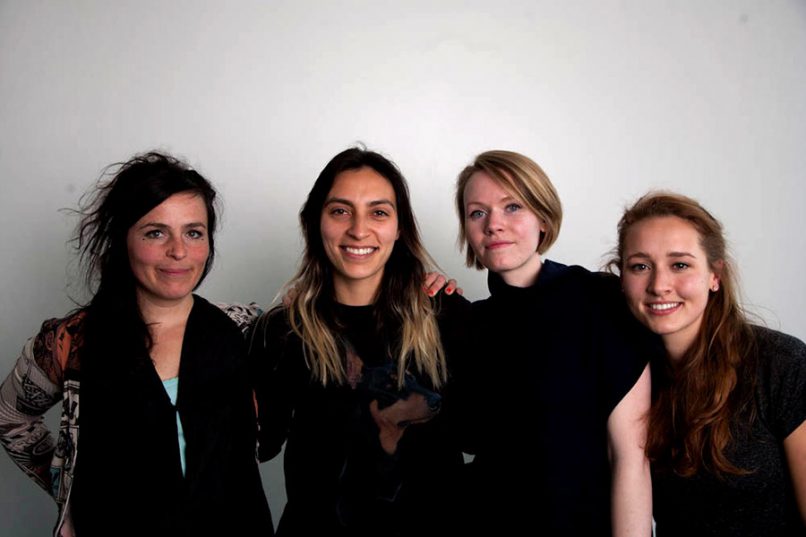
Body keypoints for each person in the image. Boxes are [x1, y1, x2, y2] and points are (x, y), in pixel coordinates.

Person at [0, 152, 272, 537]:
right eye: (155, 232)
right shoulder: (72, 340)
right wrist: (68, 486)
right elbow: (10, 415)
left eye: (194, 232)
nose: (178, 251)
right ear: (122, 238)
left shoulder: (246, 331)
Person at [248, 147, 466, 536]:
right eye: (340, 211)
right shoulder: (281, 331)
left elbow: (488, 436)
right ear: (315, 222)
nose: (359, 230)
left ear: (400, 227)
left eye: (378, 212)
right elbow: (254, 446)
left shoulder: (445, 316)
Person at [452, 150, 653, 536]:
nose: (494, 224)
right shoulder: (469, 322)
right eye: (477, 213)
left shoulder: (598, 301)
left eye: (512, 207)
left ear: (543, 218)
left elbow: (631, 457)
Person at [609, 191, 806, 536]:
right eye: (640, 266)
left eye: (680, 265)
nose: (659, 285)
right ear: (622, 280)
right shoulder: (627, 376)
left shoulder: (780, 363)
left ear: (715, 275)